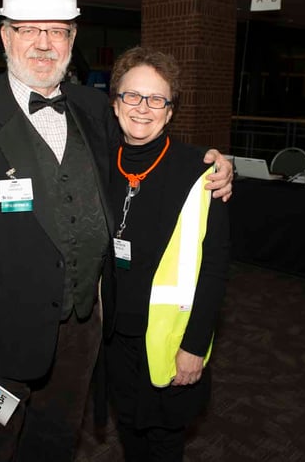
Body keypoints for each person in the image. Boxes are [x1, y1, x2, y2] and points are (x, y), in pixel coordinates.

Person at [0, 0, 233, 462]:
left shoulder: (93, 109)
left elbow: (146, 146)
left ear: (72, 39)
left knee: (54, 443)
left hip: (82, 331)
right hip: (0, 337)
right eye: (30, 30)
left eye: (58, 32)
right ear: (5, 37)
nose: (44, 44)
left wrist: (215, 162)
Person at [101, 47, 230, 462]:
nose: (143, 108)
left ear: (170, 111)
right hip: (113, 339)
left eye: (157, 99)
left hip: (169, 342)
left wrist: (195, 347)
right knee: (129, 434)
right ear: (115, 103)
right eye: (132, 96)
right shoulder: (98, 164)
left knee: (164, 442)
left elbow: (214, 271)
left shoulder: (200, 172)